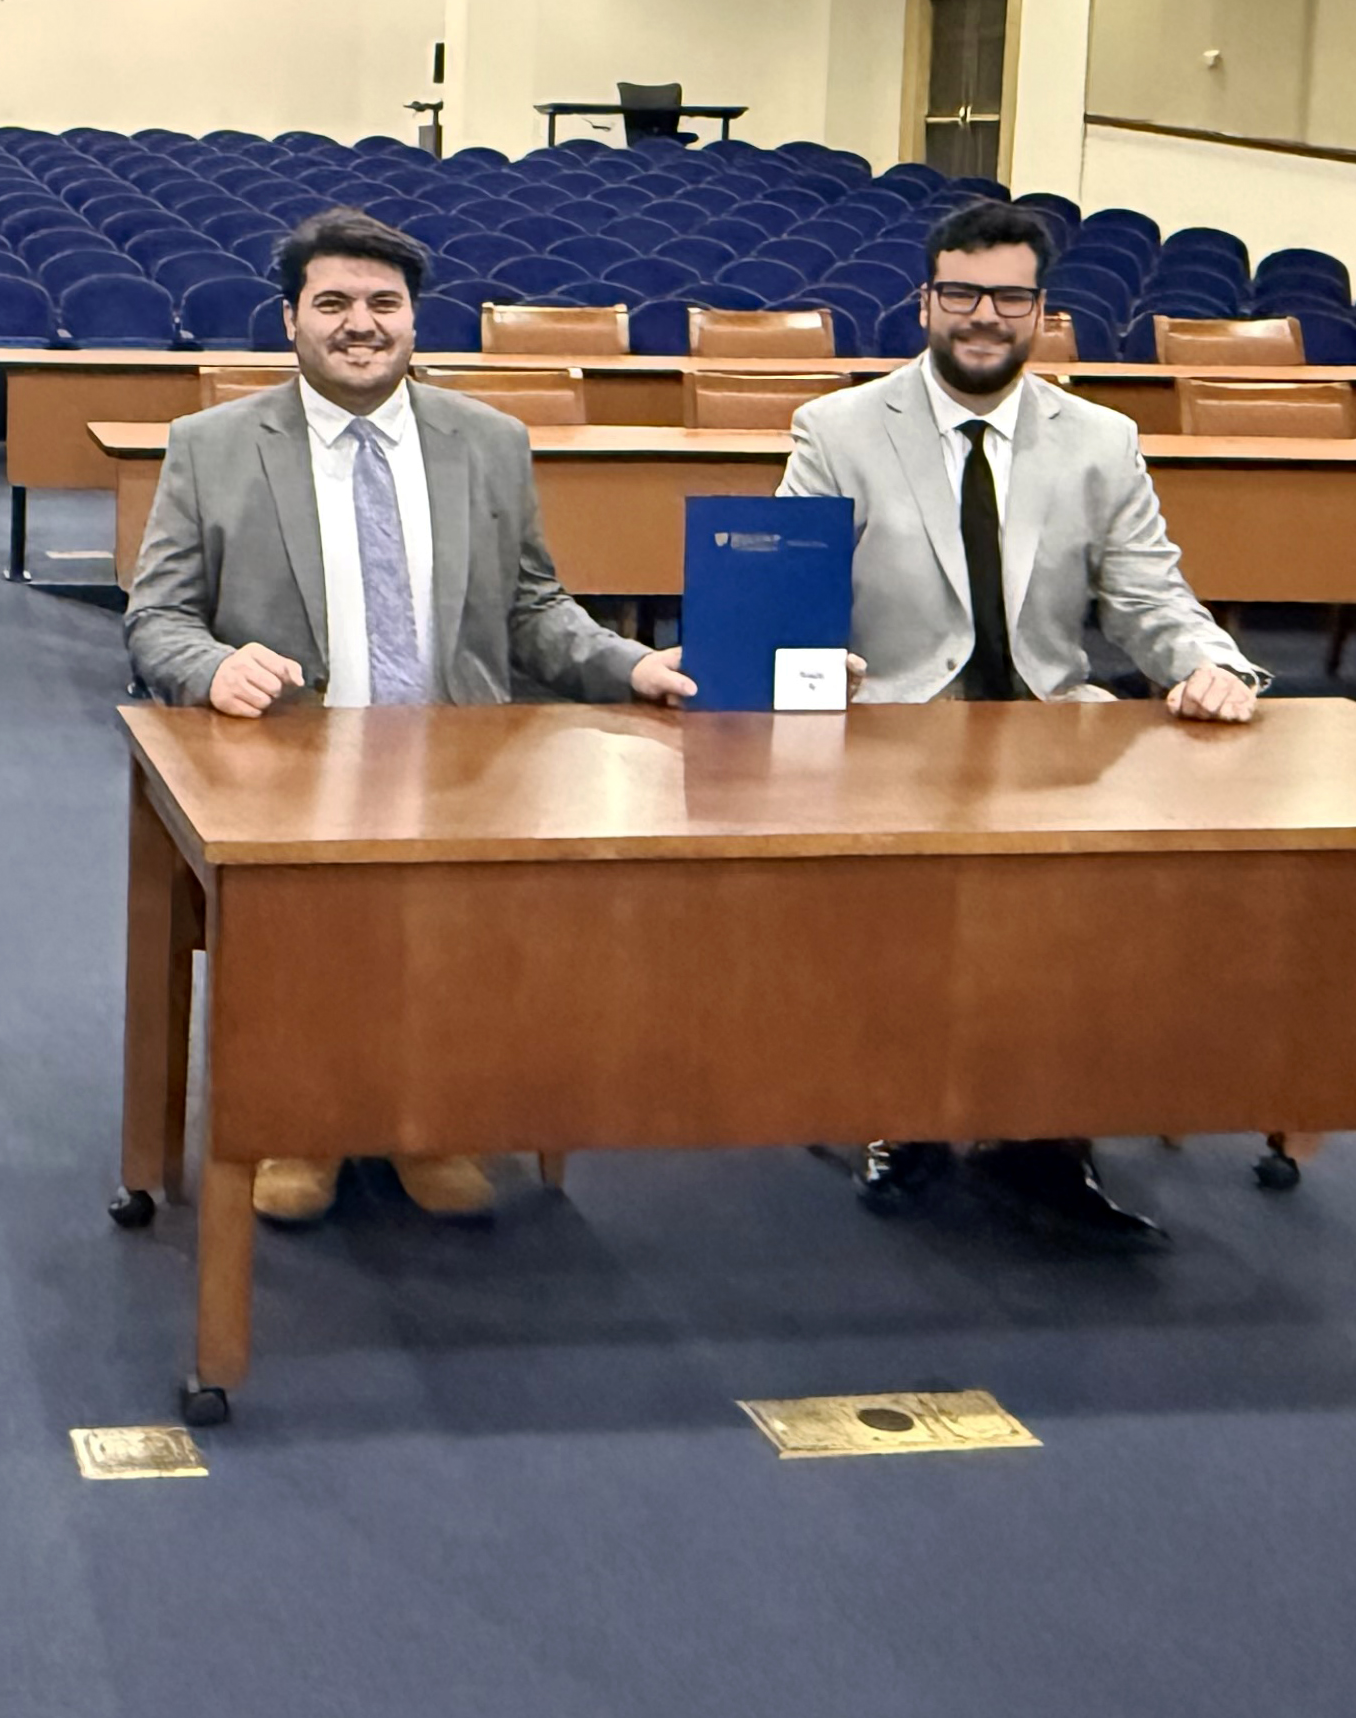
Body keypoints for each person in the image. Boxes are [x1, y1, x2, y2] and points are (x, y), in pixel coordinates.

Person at [126, 207, 696, 1227]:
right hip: (293, 760)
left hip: (457, 757)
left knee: (451, 949)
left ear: (412, 320)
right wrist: (210, 668)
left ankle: (427, 1122)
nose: (360, 324)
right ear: (290, 319)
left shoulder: (486, 441)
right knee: (310, 948)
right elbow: (156, 618)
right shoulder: (209, 447)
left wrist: (628, 663)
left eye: (382, 303)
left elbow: (531, 606)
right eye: (332, 303)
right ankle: (302, 1126)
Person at [780, 195, 1263, 1246]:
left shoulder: (1099, 439)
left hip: (1049, 731)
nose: (982, 315)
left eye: (1008, 296)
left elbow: (1148, 598)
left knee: (1091, 894)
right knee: (906, 897)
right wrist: (811, 659)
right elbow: (790, 599)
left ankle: (1045, 1139)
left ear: (1041, 311)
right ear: (924, 302)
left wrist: (1209, 664)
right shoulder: (836, 428)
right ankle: (900, 1114)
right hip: (893, 728)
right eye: (960, 292)